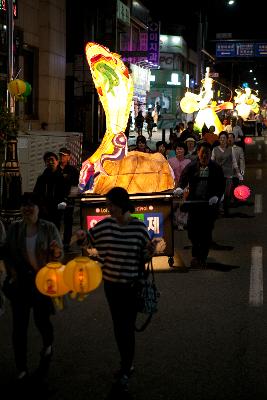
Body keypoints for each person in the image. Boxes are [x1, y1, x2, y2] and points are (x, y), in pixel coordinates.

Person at [76, 187, 156, 393]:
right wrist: (80, 236)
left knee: (126, 328)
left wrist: (150, 251)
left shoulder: (139, 228)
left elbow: (145, 258)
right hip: (111, 287)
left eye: (111, 205)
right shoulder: (106, 225)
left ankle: (127, 367)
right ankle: (125, 364)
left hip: (130, 287)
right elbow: (87, 241)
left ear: (121, 205)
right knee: (119, 327)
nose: (108, 208)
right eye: (107, 204)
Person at [2, 192, 63, 382]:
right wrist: (11, 271)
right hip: (21, 284)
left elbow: (59, 256)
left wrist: (55, 252)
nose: (27, 208)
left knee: (42, 321)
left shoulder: (49, 228)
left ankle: (48, 345)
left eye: (31, 205)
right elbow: (6, 252)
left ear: (38, 208)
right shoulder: (14, 229)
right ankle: (21, 368)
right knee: (19, 327)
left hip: (42, 284)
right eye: (24, 205)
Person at [176, 142, 225, 268]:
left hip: (209, 206)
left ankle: (200, 258)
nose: (204, 156)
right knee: (192, 231)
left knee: (206, 233)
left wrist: (216, 196)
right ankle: (196, 254)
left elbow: (221, 186)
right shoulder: (192, 166)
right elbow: (183, 180)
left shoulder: (216, 168)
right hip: (195, 204)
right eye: (202, 153)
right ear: (198, 153)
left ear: (210, 155)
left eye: (207, 154)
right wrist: (180, 188)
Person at [33, 151, 67, 229]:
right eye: (48, 160)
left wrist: (61, 207)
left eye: (52, 160)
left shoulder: (62, 178)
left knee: (55, 229)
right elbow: (36, 193)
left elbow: (65, 194)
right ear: (45, 163)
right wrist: (41, 206)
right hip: (44, 210)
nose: (50, 162)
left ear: (57, 162)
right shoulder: (42, 178)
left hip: (57, 210)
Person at [58, 147, 80, 251]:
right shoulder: (55, 168)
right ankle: (56, 241)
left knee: (68, 221)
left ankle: (66, 243)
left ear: (68, 157)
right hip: (56, 199)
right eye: (60, 155)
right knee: (56, 220)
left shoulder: (72, 170)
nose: (62, 157)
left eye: (64, 155)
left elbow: (76, 185)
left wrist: (71, 197)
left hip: (68, 200)